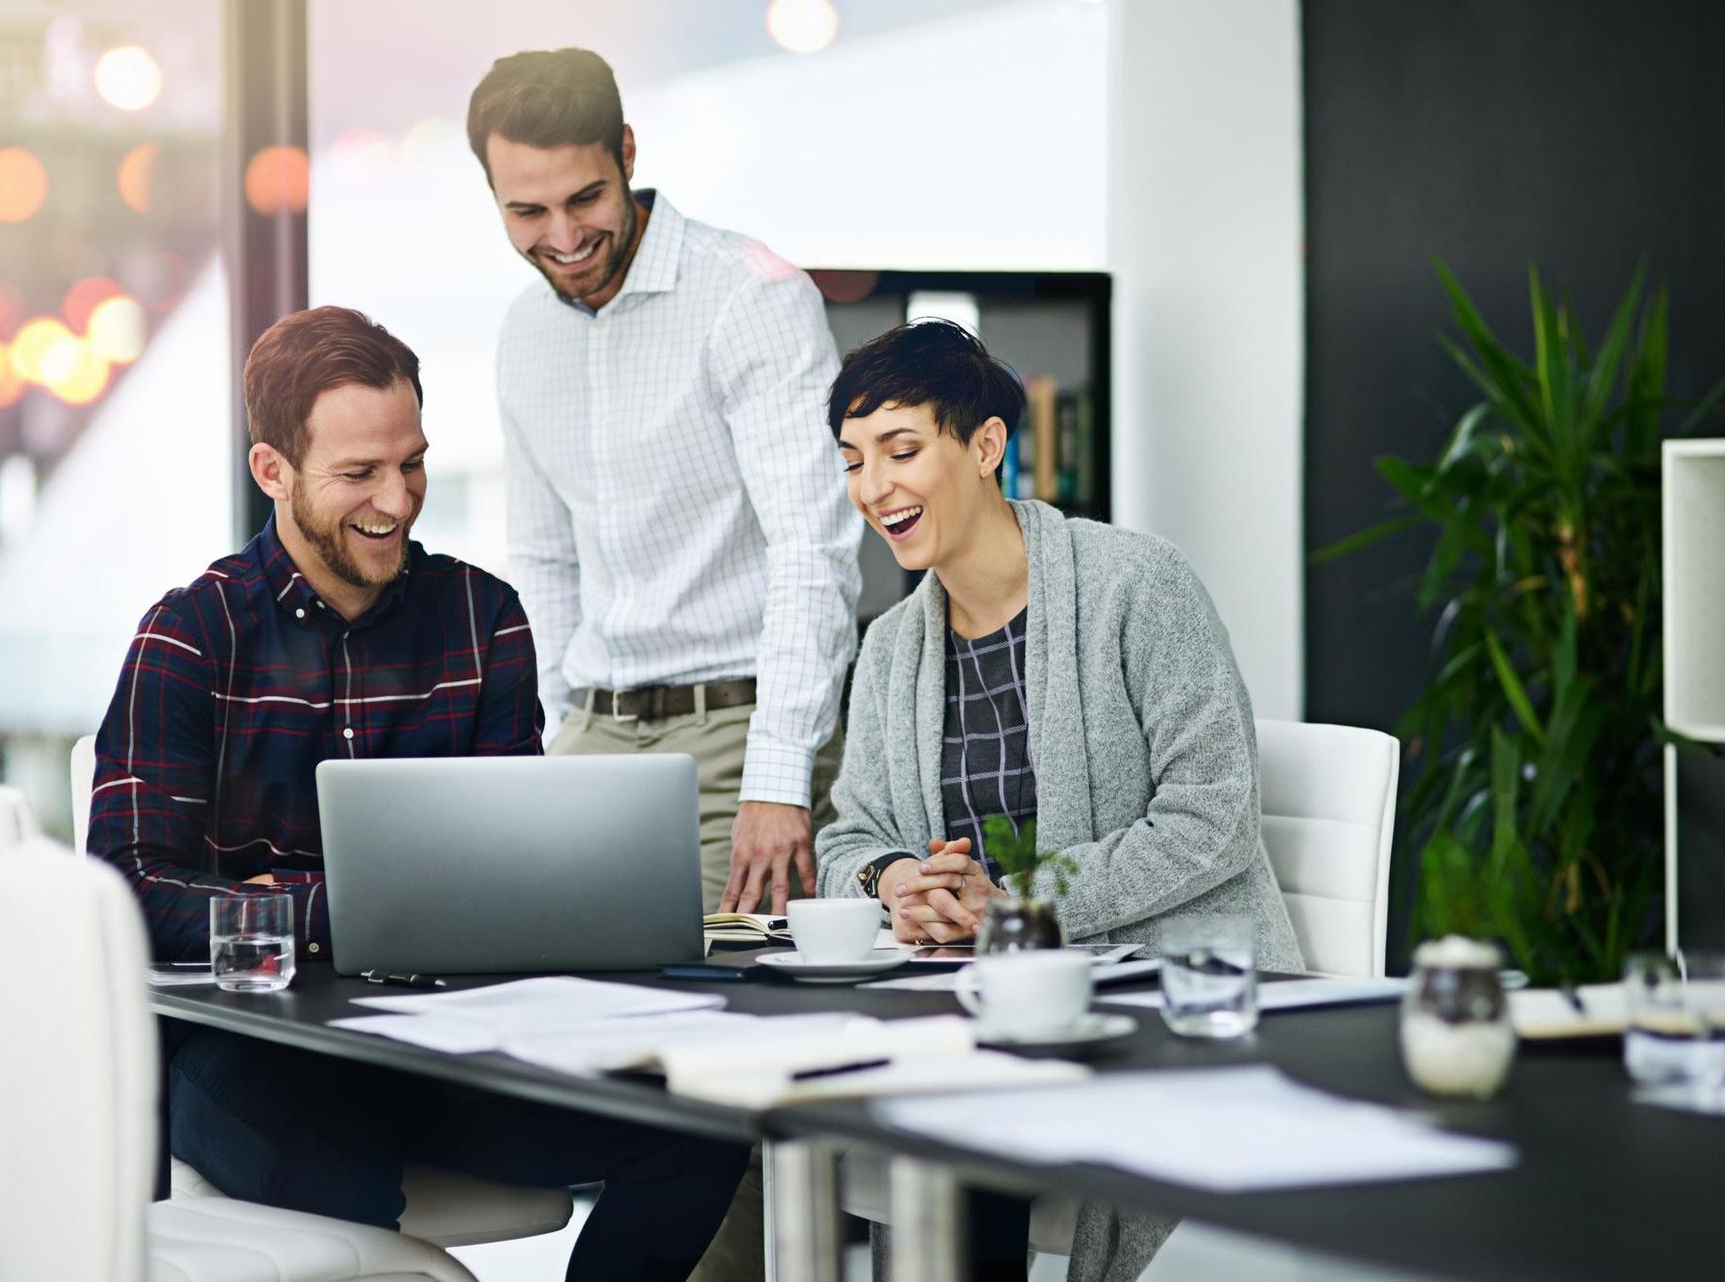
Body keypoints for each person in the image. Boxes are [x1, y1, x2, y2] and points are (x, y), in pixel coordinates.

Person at [88, 306, 749, 1282]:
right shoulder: (193, 635)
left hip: (452, 1046)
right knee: (338, 1169)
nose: (397, 499)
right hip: (255, 1058)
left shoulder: (483, 619)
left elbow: (508, 875)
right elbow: (128, 896)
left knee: (701, 1123)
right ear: (273, 470)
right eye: (359, 473)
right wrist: (345, 908)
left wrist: (283, 900)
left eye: (414, 462)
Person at [815, 318, 1304, 1281]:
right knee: (937, 1126)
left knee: (959, 1128)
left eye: (902, 451)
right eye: (853, 461)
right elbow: (849, 837)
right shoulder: (889, 650)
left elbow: (1214, 809)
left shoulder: (1137, 586)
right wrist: (897, 878)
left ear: (987, 446)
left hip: (1169, 1001)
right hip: (991, 1013)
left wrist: (1024, 907)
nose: (875, 488)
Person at [467, 48, 861, 920]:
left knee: (706, 991)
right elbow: (544, 559)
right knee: (519, 967)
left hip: (737, 725)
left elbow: (815, 547)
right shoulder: (523, 335)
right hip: (595, 729)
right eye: (527, 211)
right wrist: (553, 731)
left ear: (629, 156)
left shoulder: (748, 297)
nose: (564, 239)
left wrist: (779, 777)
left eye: (585, 199)